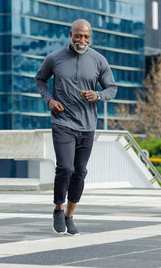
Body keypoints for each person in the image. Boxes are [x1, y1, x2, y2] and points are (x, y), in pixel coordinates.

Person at [35, 19, 117, 235]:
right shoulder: (54, 58)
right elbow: (40, 80)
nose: (82, 40)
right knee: (65, 168)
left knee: (80, 172)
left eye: (86, 37)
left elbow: (112, 88)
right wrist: (49, 100)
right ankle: (58, 208)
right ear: (70, 34)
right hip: (62, 121)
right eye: (78, 36)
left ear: (90, 37)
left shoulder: (99, 60)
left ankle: (70, 215)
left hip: (87, 125)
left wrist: (97, 95)